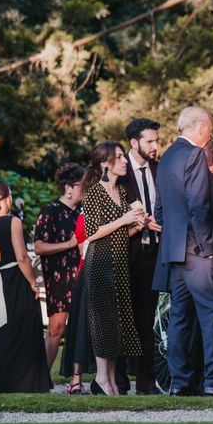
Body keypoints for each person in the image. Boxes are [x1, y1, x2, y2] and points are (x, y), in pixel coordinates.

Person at [152, 106, 213, 398]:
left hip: (175, 253)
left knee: (180, 317)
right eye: (210, 130)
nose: (209, 135)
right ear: (200, 128)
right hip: (199, 253)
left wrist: (176, 239)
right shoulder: (195, 155)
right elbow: (199, 205)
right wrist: (207, 248)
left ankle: (180, 381)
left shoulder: (165, 160)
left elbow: (159, 211)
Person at [82, 141, 146, 395]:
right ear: (105, 163)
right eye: (119, 157)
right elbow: (92, 232)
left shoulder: (120, 191)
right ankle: (101, 379)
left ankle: (108, 378)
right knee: (103, 321)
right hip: (100, 263)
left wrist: (137, 226)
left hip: (119, 263)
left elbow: (121, 232)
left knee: (116, 322)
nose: (124, 161)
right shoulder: (94, 192)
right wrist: (124, 219)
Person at [0, 180, 51, 393]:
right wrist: (33, 283)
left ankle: (2, 382)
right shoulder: (13, 222)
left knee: (1, 333)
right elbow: (21, 257)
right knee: (24, 329)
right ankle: (26, 382)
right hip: (17, 280)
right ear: (5, 198)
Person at [116, 118, 162, 396]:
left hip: (154, 254)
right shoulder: (119, 175)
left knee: (147, 322)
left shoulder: (160, 170)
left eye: (156, 140)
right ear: (134, 143)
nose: (155, 146)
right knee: (123, 320)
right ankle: (119, 381)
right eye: (150, 141)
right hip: (126, 253)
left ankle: (147, 384)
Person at [34, 163, 86, 372]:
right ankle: (42, 378)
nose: (86, 189)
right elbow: (38, 247)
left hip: (81, 275)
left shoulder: (82, 213)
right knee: (56, 328)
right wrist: (69, 244)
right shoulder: (51, 211)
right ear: (69, 187)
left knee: (80, 330)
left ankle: (77, 379)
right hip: (58, 278)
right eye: (83, 185)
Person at [59, 211, 96, 395]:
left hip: (103, 274)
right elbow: (83, 248)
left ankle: (102, 378)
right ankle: (76, 379)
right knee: (81, 328)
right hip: (87, 274)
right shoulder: (85, 216)